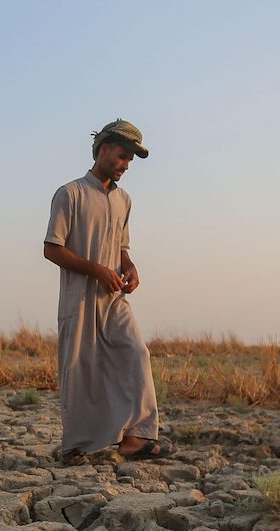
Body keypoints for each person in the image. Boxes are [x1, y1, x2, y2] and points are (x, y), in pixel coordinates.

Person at [42, 119, 169, 467]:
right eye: (122, 155)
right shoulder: (69, 194)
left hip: (114, 299)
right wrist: (96, 269)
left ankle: (138, 437)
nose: (126, 164)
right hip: (79, 297)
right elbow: (52, 249)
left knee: (135, 352)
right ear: (102, 150)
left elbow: (121, 246)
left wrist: (128, 265)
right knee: (81, 368)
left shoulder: (124, 200)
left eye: (130, 160)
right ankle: (75, 448)